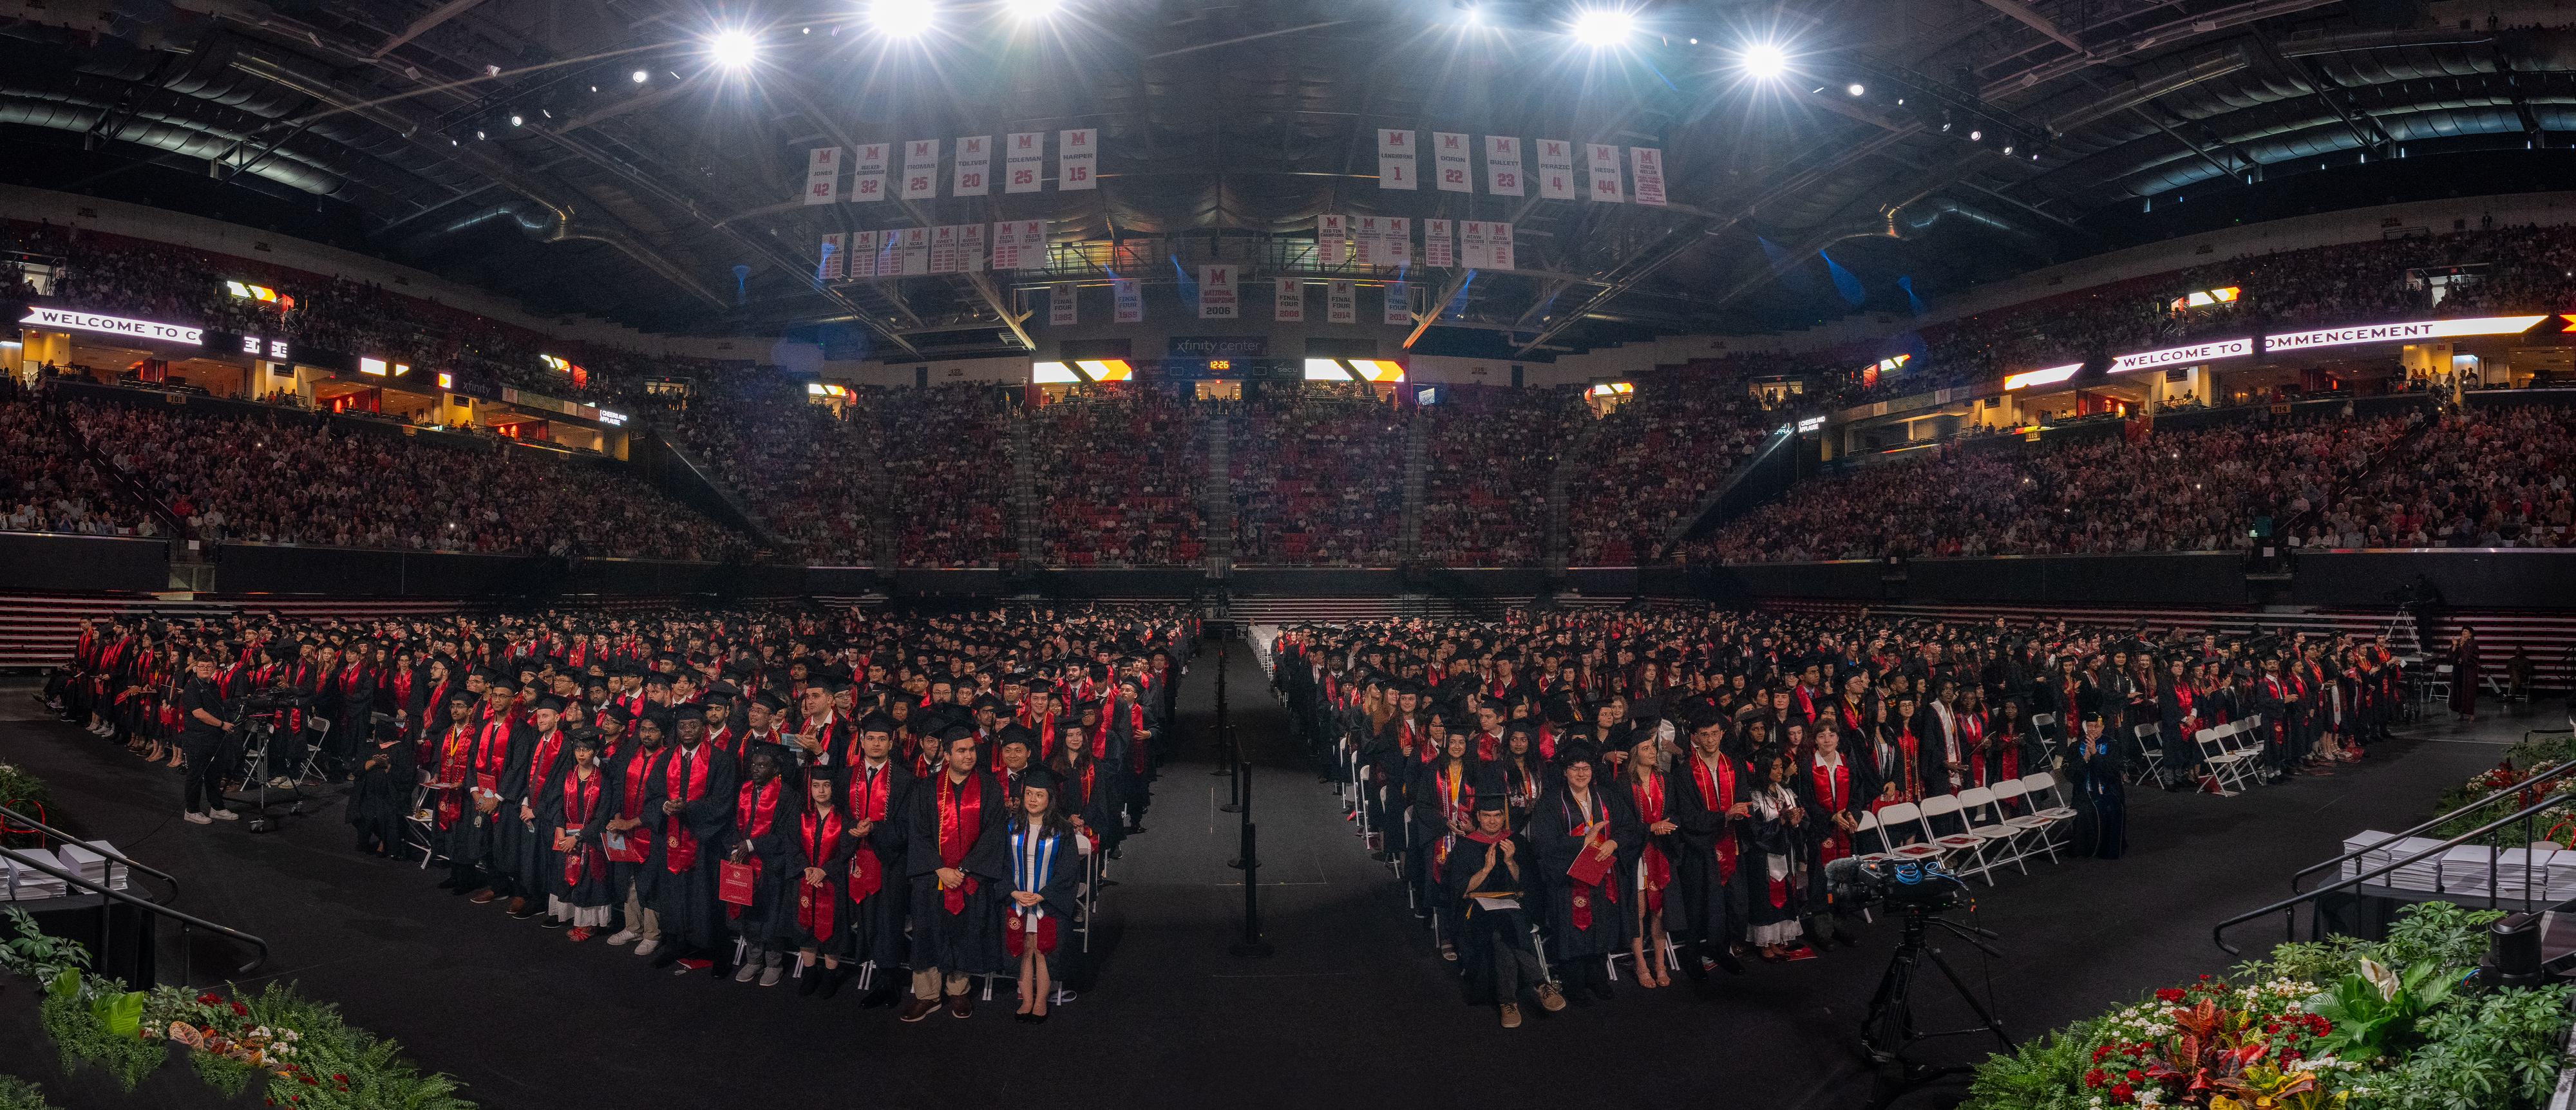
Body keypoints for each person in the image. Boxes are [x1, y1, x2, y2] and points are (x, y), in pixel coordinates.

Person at [902, 726, 1009, 1022]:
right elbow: (918, 833)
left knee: (964, 931)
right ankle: (927, 995)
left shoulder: (989, 788)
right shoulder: (926, 788)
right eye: (961, 751)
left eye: (972, 750)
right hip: (933, 878)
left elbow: (993, 834)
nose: (968, 756)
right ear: (947, 755)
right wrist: (940, 868)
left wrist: (962, 870)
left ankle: (958, 990)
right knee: (928, 933)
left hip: (970, 878)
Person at [1444, 794, 1562, 1027]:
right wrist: (1486, 870)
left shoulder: (1516, 842)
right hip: (1477, 909)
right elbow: (1461, 889)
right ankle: (1540, 984)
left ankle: (1507, 1002)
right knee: (1500, 929)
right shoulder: (1466, 846)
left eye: (1497, 816)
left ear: (1504, 816)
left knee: (1502, 929)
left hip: (1513, 906)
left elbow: (1528, 885)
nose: (1492, 821)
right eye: (1486, 816)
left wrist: (1510, 862)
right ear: (1478, 817)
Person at [1531, 743, 1636, 1002]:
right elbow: (1543, 842)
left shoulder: (1607, 797)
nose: (1581, 774)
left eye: (1586, 768)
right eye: (1575, 769)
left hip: (1601, 877)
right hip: (1568, 879)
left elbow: (1630, 826)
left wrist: (1614, 843)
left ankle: (1597, 978)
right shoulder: (1551, 802)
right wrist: (1582, 842)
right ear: (1565, 772)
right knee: (1572, 930)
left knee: (1602, 926)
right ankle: (1574, 984)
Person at [644, 710, 739, 973]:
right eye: (683, 725)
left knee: (706, 895)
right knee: (673, 893)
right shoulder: (665, 760)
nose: (687, 730)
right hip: (671, 839)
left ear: (703, 728)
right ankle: (675, 942)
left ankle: (716, 950)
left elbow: (723, 803)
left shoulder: (721, 761)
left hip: (705, 843)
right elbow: (651, 796)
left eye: (693, 725)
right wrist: (664, 807)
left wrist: (688, 809)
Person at [841, 712, 916, 1009]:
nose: (875, 744)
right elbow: (842, 815)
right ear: (861, 740)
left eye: (882, 739)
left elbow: (908, 824)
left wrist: (876, 829)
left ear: (891, 742)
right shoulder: (846, 776)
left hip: (889, 861)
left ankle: (889, 981)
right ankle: (868, 968)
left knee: (888, 920)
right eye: (870, 738)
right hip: (857, 858)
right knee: (864, 917)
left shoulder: (904, 779)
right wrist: (852, 829)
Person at [1669, 713, 1750, 977]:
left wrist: (1742, 813)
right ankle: (1693, 957)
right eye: (1705, 734)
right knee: (1698, 905)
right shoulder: (1683, 773)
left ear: (1722, 734)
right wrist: (1724, 816)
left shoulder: (1734, 765)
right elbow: (1687, 817)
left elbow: (1744, 800)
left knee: (1730, 904)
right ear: (1695, 737)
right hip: (1700, 849)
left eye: (1715, 733)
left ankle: (1721, 950)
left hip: (1732, 844)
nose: (1711, 739)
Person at [1005, 767, 1082, 1024]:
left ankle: (1041, 1000)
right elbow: (1001, 864)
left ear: (1050, 798)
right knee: (1023, 949)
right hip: (1017, 901)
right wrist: (1013, 891)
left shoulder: (1063, 831)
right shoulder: (1011, 827)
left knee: (1042, 949)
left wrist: (1043, 896)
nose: (1033, 800)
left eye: (1039, 795)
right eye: (1029, 794)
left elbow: (1068, 870)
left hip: (1047, 903)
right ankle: (1026, 999)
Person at [721, 744, 798, 986]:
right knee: (748, 911)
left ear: (776, 769)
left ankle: (774, 963)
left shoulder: (787, 795)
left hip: (772, 865)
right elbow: (733, 824)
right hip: (744, 863)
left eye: (763, 765)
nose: (755, 769)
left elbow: (789, 835)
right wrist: (736, 846)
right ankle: (754, 960)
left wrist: (752, 845)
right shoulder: (744, 790)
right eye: (754, 764)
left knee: (771, 914)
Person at [601, 710, 668, 955]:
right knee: (629, 879)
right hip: (626, 826)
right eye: (643, 730)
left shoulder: (667, 758)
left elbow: (663, 800)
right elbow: (619, 785)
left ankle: (652, 933)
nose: (647, 735)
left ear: (662, 734)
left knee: (650, 882)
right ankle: (633, 927)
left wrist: (633, 823)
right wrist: (618, 814)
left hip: (653, 832)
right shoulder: (632, 755)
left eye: (652, 730)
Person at [541, 731, 617, 939]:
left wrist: (578, 837)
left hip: (590, 839)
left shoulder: (603, 781)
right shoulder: (568, 775)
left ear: (595, 752)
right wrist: (560, 829)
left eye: (586, 750)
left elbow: (602, 817)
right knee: (564, 874)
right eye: (578, 749)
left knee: (588, 879)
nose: (581, 754)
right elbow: (556, 803)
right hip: (566, 836)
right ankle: (571, 915)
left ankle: (588, 924)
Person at [787, 767, 856, 998]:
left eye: (826, 785)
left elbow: (847, 852)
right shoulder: (801, 816)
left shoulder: (844, 818)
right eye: (816, 786)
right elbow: (792, 846)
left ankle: (829, 976)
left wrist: (825, 871)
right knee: (805, 928)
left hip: (832, 883)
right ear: (810, 789)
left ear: (833, 788)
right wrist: (806, 868)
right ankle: (810, 973)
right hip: (805, 880)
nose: (821, 790)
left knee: (832, 931)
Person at [1620, 733, 1674, 988]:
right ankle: (1641, 963)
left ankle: (1660, 963)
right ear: (1635, 754)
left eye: (1653, 747)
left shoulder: (1665, 780)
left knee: (1660, 910)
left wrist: (1666, 827)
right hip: (1636, 854)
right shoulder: (1622, 785)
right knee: (1639, 910)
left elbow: (1675, 813)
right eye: (1645, 748)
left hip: (1661, 852)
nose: (1652, 752)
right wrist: (1651, 829)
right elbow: (1622, 824)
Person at [175, 655, 239, 825]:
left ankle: (217, 807)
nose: (205, 669)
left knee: (214, 775)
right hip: (198, 738)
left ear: (214, 668)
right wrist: (222, 724)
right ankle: (192, 810)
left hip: (215, 738)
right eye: (201, 666)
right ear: (196, 668)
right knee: (195, 775)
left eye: (208, 666)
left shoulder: (213, 686)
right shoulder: (192, 688)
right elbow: (199, 714)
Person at [346, 713, 413, 856]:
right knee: (359, 809)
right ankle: (371, 838)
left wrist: (387, 766)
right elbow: (357, 769)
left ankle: (385, 841)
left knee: (387, 812)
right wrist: (374, 762)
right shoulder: (370, 747)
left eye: (375, 729)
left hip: (391, 795)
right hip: (369, 794)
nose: (373, 732)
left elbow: (407, 777)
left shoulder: (401, 750)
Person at [2066, 711, 2127, 860]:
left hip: (2108, 790)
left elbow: (2113, 772)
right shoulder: (2076, 746)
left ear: (2103, 728)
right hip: (2084, 792)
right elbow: (2069, 774)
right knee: (2085, 809)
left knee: (2112, 807)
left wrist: (2095, 755)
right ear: (2085, 728)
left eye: (2096, 726)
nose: (2093, 729)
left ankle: (2107, 850)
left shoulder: (2112, 745)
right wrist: (2084, 760)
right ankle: (2086, 850)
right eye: (2090, 726)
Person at [2448, 626, 2480, 722]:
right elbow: (2450, 657)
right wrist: (2454, 646)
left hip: (2469, 672)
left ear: (2471, 634)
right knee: (2459, 692)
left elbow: (2471, 658)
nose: (2463, 633)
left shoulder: (2473, 644)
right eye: (2463, 631)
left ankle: (2471, 714)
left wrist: (2462, 646)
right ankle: (2460, 713)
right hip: (2459, 670)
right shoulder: (2458, 642)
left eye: (2466, 631)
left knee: (2468, 693)